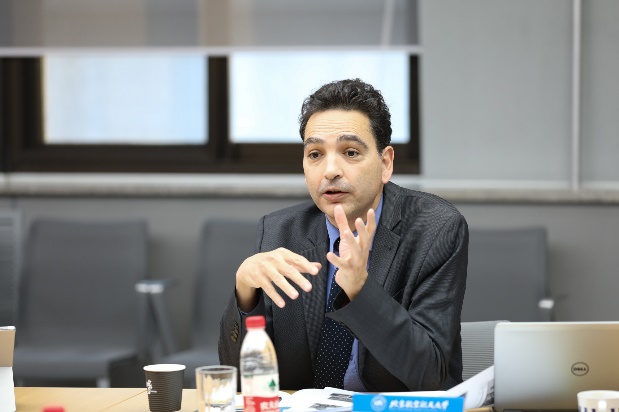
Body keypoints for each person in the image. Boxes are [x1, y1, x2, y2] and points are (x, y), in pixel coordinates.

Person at [219, 78, 468, 392]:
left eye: (350, 152)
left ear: (385, 163)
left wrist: (360, 291)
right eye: (315, 154)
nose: (330, 171)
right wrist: (245, 292)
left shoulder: (435, 229)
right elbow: (237, 378)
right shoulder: (280, 231)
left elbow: (430, 374)